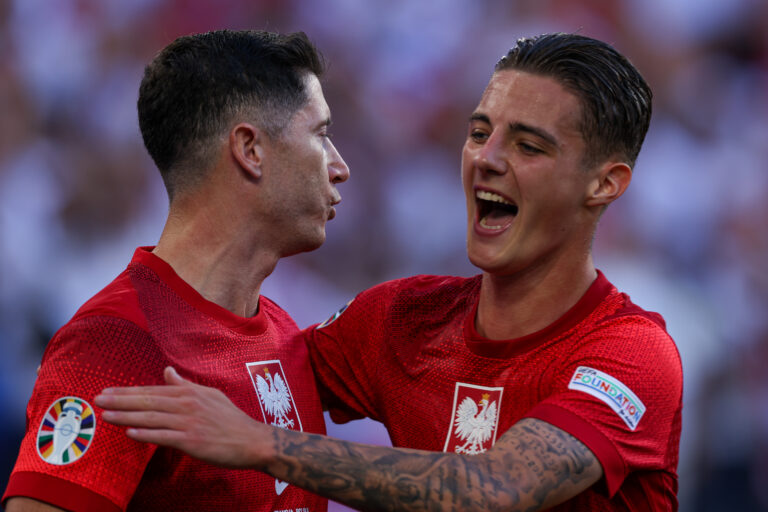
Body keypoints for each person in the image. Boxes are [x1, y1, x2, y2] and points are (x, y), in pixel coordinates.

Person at [94, 33, 682, 511]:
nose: (487, 159)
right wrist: (116, 341)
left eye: (529, 147)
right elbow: (246, 378)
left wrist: (262, 445)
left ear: (604, 184)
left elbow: (497, 489)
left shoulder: (631, 354)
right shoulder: (403, 317)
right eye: (479, 133)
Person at [3, 29, 349, 512]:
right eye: (322, 135)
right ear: (251, 149)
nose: (339, 167)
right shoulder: (116, 343)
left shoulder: (284, 337)